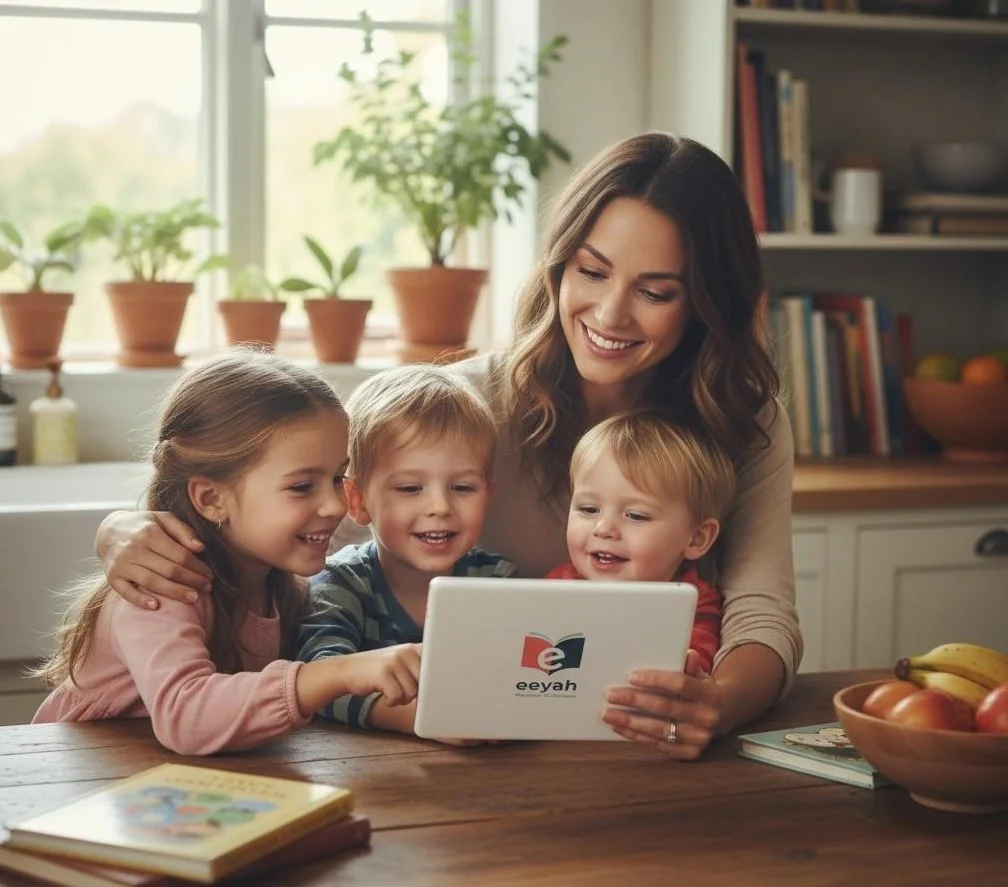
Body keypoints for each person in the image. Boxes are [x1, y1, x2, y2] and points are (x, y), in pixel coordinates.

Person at [94, 133, 801, 761]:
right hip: (446, 766)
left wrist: (718, 703)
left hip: (633, 758)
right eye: (590, 272)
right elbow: (288, 494)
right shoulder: (455, 406)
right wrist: (124, 526)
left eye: (656, 290)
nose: (610, 313)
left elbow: (763, 616)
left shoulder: (744, 422)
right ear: (557, 267)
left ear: (708, 301)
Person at [31, 349, 422, 755]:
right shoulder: (162, 585)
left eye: (338, 477)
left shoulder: (286, 586)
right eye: (302, 486)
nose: (335, 505)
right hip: (74, 792)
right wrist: (335, 674)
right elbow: (187, 716)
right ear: (211, 498)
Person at [295, 364, 514, 738]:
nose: (440, 507)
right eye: (411, 488)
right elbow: (320, 681)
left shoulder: (499, 582)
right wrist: (424, 718)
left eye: (462, 488)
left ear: (488, 495)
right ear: (358, 500)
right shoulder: (339, 584)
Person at [545, 409, 735, 680]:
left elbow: (693, 669)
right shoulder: (554, 588)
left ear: (697, 538)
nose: (604, 529)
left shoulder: (694, 603)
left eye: (636, 515)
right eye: (588, 509)